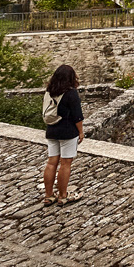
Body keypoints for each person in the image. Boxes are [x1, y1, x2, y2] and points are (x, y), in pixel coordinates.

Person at [42, 64, 84, 206]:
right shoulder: (70, 93)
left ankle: (48, 195)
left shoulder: (49, 91)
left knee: (51, 162)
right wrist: (81, 132)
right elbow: (77, 116)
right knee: (65, 164)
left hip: (52, 130)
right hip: (67, 131)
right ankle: (62, 195)